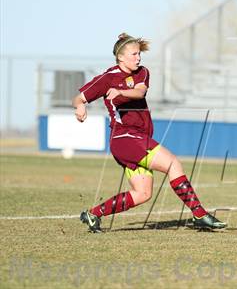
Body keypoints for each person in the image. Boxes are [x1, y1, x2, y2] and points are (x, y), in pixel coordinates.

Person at [72, 33, 226, 233]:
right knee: (173, 163)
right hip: (124, 137)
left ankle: (93, 214)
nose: (138, 58)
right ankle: (199, 214)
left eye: (139, 54)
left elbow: (139, 92)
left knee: (143, 193)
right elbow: (79, 98)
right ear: (120, 57)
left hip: (136, 138)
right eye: (134, 54)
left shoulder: (141, 72)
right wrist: (80, 107)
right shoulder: (107, 78)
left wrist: (120, 92)